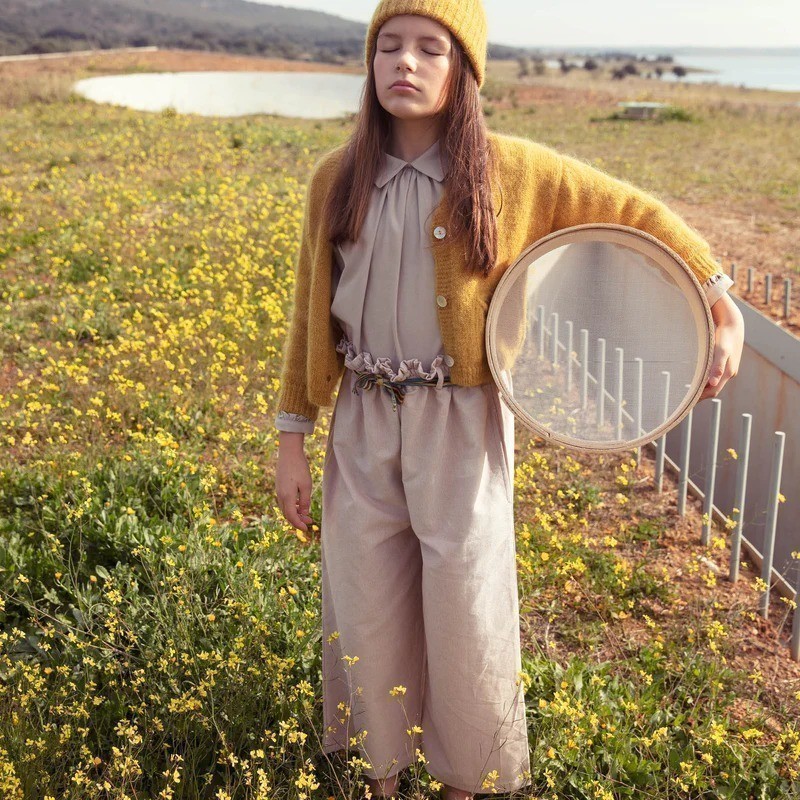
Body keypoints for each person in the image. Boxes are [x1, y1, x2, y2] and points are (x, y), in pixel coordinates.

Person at [274, 1, 745, 797]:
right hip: (361, 417)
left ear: (465, 71)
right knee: (365, 596)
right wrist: (293, 436)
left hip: (461, 422)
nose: (405, 62)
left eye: (431, 48)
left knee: (467, 605)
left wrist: (720, 300)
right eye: (389, 46)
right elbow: (307, 317)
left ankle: (469, 779)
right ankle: (378, 774)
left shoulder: (512, 171)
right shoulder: (336, 177)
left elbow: (635, 213)